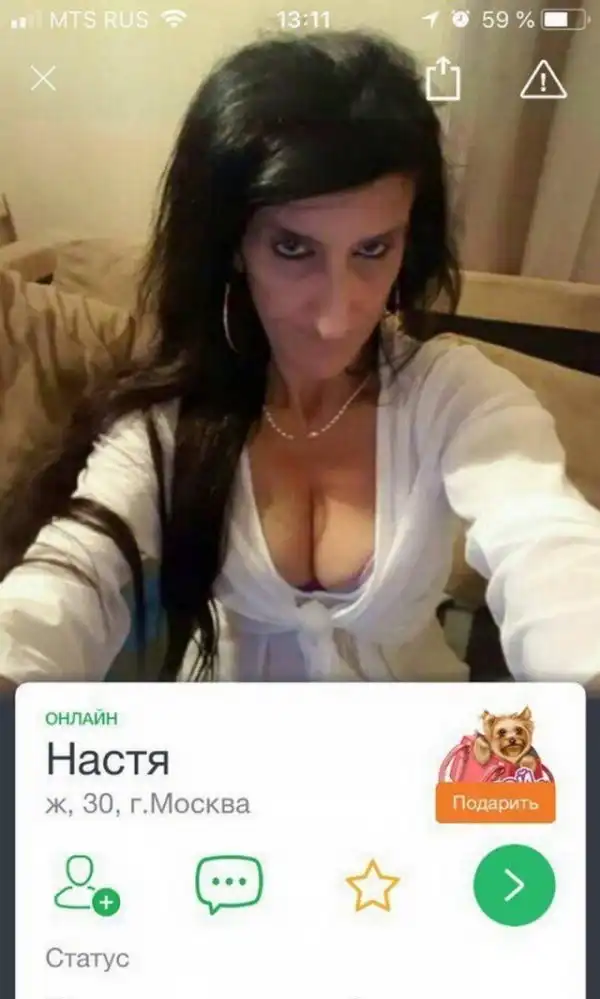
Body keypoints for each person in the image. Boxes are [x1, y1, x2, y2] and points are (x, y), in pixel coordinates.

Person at [1, 28, 600, 690]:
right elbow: (72, 573)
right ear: (234, 243)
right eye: (293, 249)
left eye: (372, 249)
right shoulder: (176, 416)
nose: (335, 316)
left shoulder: (453, 395)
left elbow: (546, 540)